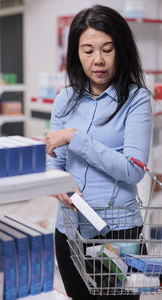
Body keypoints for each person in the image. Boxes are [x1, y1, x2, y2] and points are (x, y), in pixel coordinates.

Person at [44, 5, 152, 300]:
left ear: (122, 50)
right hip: (70, 231)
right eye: (88, 50)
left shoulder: (136, 100)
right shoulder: (64, 100)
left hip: (120, 234)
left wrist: (75, 137)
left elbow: (133, 168)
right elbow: (54, 163)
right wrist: (58, 184)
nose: (98, 60)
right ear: (76, 53)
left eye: (107, 49)